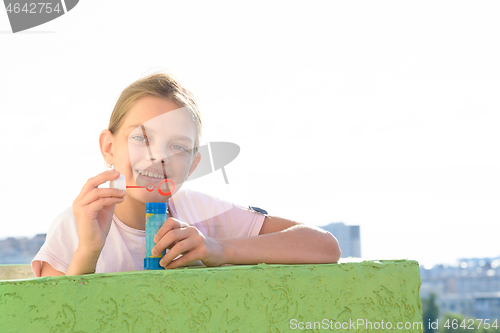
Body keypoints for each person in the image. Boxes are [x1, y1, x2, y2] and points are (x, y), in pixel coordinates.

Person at [32, 73, 341, 277]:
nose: (158, 156)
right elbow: (56, 319)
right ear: (109, 146)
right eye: (141, 137)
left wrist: (218, 249)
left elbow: (324, 246)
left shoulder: (202, 213)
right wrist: (88, 251)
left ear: (193, 166)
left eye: (178, 147)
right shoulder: (74, 225)